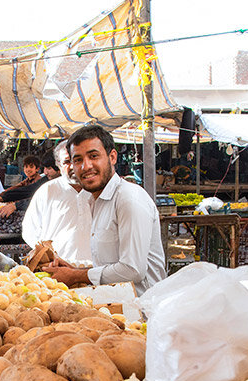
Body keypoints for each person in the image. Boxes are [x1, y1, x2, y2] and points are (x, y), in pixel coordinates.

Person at [43, 124, 166, 293]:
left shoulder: (129, 199)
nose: (86, 166)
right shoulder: (94, 200)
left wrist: (76, 276)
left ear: (112, 157)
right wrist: (74, 270)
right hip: (114, 306)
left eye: (94, 156)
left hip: (142, 310)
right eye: (78, 160)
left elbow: (133, 270)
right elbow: (110, 264)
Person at [23, 144, 92, 265]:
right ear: (58, 165)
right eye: (67, 161)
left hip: (96, 271)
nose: (73, 166)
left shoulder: (100, 190)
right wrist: (46, 257)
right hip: (57, 271)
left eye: (77, 160)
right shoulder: (47, 191)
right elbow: (30, 230)